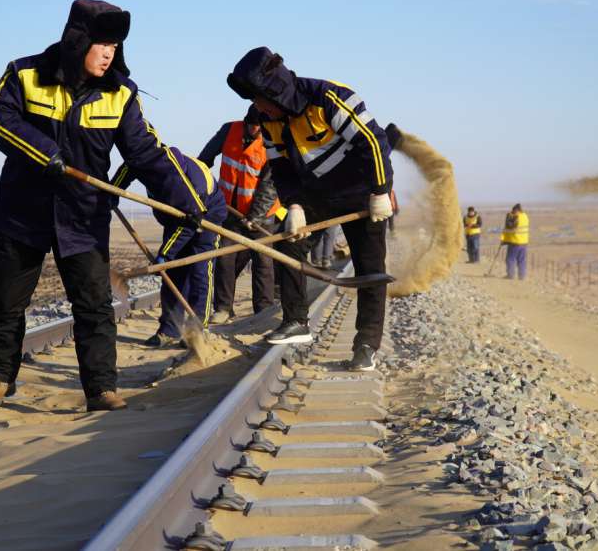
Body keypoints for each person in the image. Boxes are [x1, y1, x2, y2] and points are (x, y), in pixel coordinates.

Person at [0, 0, 206, 411]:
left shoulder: (121, 94)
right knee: (5, 301)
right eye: (102, 45)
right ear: (78, 41)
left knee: (94, 305)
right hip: (21, 211)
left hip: (82, 217)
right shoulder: (24, 74)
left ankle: (100, 389)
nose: (108, 54)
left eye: (115, 48)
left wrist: (184, 201)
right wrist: (43, 152)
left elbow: (148, 153)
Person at [226, 47, 394, 371]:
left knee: (371, 269)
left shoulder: (329, 98)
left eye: (260, 99)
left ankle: (366, 345)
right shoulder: (267, 118)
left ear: (276, 91)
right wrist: (295, 206)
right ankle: (296, 321)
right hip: (317, 195)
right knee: (288, 242)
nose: (256, 108)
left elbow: (374, 141)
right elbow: (281, 167)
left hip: (361, 193)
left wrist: (380, 191)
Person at [112, 149, 226, 347]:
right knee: (173, 274)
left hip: (206, 215)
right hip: (178, 217)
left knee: (200, 272)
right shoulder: (145, 157)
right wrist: (111, 192)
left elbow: (189, 223)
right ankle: (169, 330)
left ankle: (196, 330)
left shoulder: (185, 186)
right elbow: (129, 168)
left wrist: (165, 254)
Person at [198, 106, 285, 324]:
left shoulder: (272, 141)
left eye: (258, 125)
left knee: (263, 263)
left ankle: (263, 311)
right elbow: (204, 159)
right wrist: (198, 184)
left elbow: (270, 185)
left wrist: (254, 217)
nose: (253, 128)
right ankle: (223, 309)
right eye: (251, 124)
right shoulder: (229, 130)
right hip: (228, 212)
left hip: (262, 215)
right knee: (225, 258)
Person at [501, 203, 530, 280]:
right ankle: (522, 277)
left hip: (515, 242)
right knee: (522, 260)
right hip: (524, 242)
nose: (512, 213)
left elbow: (511, 227)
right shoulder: (525, 216)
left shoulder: (517, 217)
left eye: (513, 211)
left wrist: (509, 218)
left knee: (510, 259)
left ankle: (510, 275)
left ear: (516, 210)